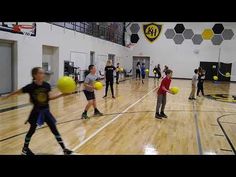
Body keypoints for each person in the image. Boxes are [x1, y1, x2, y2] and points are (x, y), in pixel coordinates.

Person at [2, 67, 73, 155]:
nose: (43, 74)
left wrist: (62, 94)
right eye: (41, 73)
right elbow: (18, 91)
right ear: (35, 75)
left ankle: (64, 149)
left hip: (46, 111)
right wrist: (7, 96)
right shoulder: (30, 87)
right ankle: (25, 149)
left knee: (54, 129)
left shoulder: (46, 85)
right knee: (32, 130)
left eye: (43, 73)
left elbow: (49, 97)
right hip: (36, 112)